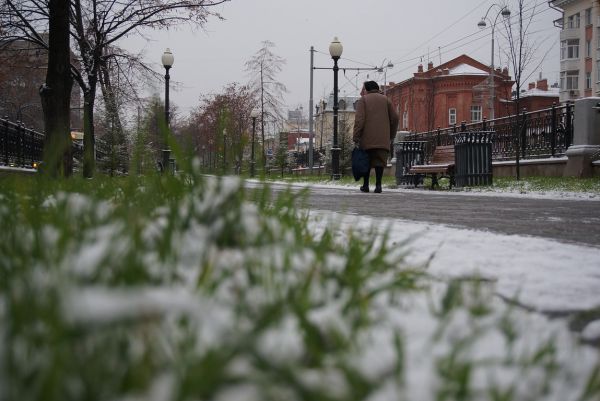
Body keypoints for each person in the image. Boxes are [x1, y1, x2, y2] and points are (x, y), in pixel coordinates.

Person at [353, 81, 399, 193]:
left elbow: (359, 120)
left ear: (367, 89)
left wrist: (356, 136)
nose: (361, 91)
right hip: (383, 139)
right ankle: (378, 186)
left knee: (366, 162)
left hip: (366, 139)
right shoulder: (386, 100)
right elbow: (395, 118)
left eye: (363, 89)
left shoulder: (363, 100)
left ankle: (366, 185)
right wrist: (391, 135)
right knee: (379, 162)